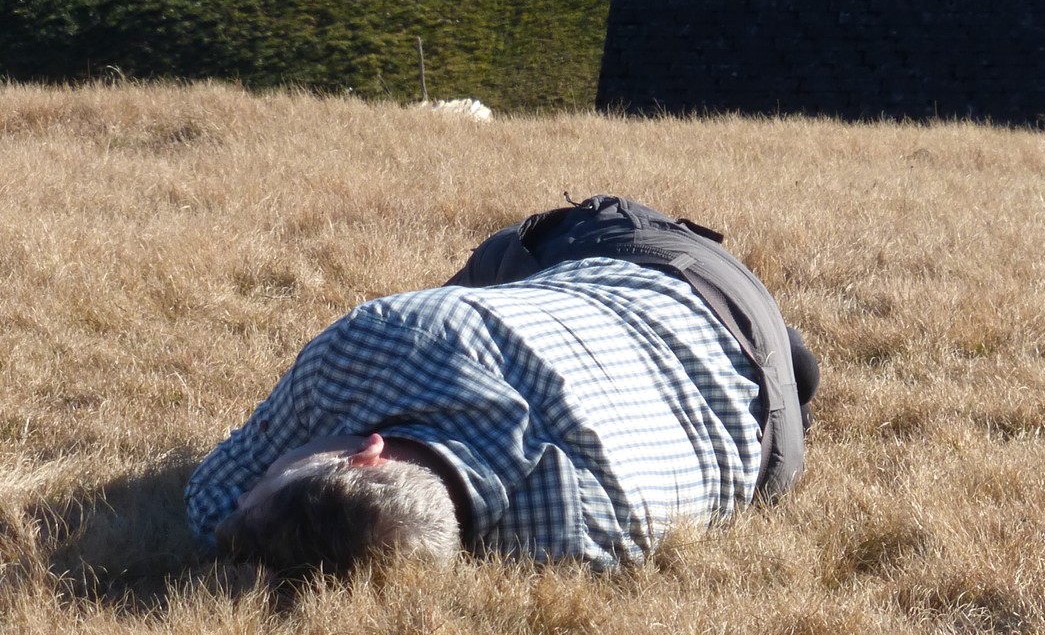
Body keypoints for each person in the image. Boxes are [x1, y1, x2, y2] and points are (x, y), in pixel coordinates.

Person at [187, 196, 819, 576]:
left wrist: (260, 562)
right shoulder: (385, 340)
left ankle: (787, 360)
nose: (256, 477)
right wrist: (263, 524)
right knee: (504, 261)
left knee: (776, 376)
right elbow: (219, 485)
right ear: (368, 454)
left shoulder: (575, 545)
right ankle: (779, 342)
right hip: (670, 271)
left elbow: (211, 493)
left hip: (767, 425)